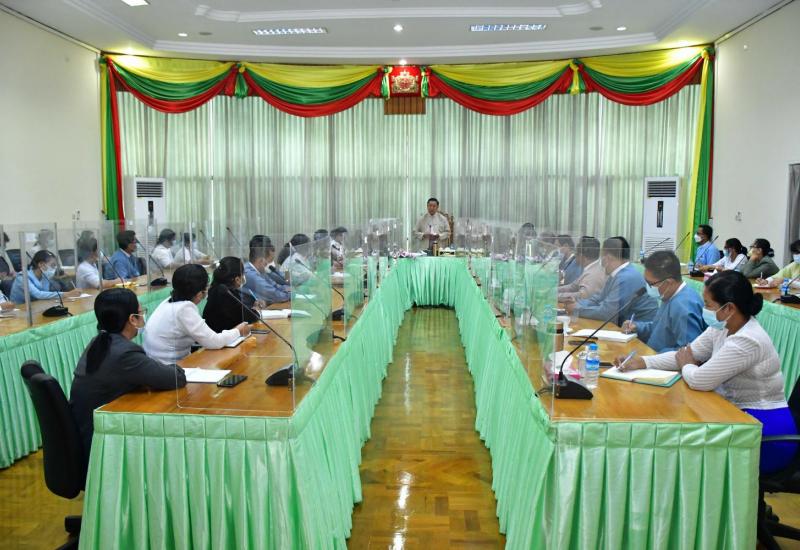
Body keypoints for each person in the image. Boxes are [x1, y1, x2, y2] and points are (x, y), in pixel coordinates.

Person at [615, 271, 797, 474]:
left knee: (686, 456)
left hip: (764, 432)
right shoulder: (722, 327)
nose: (704, 310)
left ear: (729, 308)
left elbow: (700, 380)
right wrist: (643, 362)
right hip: (735, 416)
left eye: (708, 305)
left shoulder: (747, 340)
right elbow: (686, 354)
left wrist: (687, 365)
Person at [69, 288, 186, 462]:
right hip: (102, 445)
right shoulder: (125, 353)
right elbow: (177, 378)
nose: (142, 316)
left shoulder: (98, 342)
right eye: (140, 312)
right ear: (132, 319)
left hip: (86, 433)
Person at [143, 264, 250, 363]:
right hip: (171, 368)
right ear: (199, 294)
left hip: (159, 364)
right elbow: (214, 342)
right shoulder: (184, 309)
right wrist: (238, 331)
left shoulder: (168, 302)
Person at [621, 251, 705, 352]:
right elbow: (659, 328)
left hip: (660, 359)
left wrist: (648, 359)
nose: (647, 287)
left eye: (650, 283)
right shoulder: (668, 295)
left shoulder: (683, 307)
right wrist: (637, 327)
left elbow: (687, 352)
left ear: (669, 282)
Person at [568, 236, 658, 325]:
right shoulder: (616, 273)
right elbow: (598, 299)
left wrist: (577, 309)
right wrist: (577, 303)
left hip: (638, 329)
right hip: (622, 325)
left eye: (602, 256)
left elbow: (607, 313)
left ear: (608, 258)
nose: (601, 261)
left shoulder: (626, 277)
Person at [202, 257, 263, 332]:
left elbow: (240, 311)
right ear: (237, 279)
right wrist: (256, 309)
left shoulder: (217, 288)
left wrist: (252, 308)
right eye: (243, 273)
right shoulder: (225, 292)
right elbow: (250, 317)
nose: (244, 276)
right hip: (221, 337)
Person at [10, 250, 81, 302]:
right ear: (41, 264)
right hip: (21, 310)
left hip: (36, 306)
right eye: (52, 265)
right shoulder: (22, 277)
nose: (54, 269)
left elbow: (45, 294)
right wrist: (66, 294)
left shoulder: (44, 276)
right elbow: (38, 294)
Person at [557, 236, 606, 303]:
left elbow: (581, 296)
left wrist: (555, 295)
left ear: (582, 256)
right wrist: (552, 291)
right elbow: (572, 287)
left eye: (576, 254)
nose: (575, 256)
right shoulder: (591, 268)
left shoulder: (593, 274)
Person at [244, 236, 291, 304]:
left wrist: (290, 288)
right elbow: (275, 292)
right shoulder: (250, 273)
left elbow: (275, 284)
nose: (271, 263)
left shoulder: (260, 270)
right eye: (270, 261)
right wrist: (292, 292)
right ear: (261, 260)